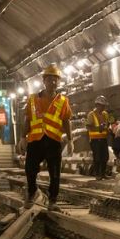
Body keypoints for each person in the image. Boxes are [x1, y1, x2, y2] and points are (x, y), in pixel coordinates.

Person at [17, 64, 73, 211]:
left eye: (55, 80)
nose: (53, 82)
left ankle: (53, 201)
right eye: (49, 79)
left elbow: (66, 120)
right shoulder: (32, 99)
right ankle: (31, 193)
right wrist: (23, 137)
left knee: (55, 172)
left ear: (58, 82)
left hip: (54, 140)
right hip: (35, 140)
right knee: (30, 169)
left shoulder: (63, 101)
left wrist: (71, 140)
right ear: (44, 81)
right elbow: (28, 119)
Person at [87, 96, 112, 180]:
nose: (104, 107)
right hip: (95, 140)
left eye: (104, 106)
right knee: (97, 157)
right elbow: (89, 127)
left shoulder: (105, 114)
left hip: (103, 139)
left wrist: (108, 129)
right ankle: (97, 174)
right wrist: (99, 129)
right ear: (97, 105)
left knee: (105, 157)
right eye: (102, 105)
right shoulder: (91, 114)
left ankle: (103, 174)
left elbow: (107, 124)